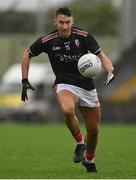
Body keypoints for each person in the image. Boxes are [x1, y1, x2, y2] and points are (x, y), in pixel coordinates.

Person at [21, 7, 114, 172]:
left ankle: (89, 160)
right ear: (55, 22)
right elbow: (27, 54)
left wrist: (110, 71)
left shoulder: (84, 37)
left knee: (93, 130)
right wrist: (24, 80)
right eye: (61, 22)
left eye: (68, 22)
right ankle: (80, 142)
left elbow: (102, 56)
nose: (64, 26)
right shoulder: (47, 40)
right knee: (67, 110)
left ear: (73, 21)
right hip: (65, 84)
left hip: (87, 87)